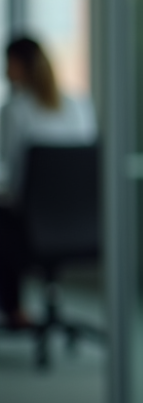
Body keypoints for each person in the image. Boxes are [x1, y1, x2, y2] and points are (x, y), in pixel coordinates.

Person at [0, 37, 97, 328]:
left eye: (8, 63)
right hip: (82, 223)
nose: (5, 70)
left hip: (33, 227)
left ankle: (14, 309)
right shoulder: (80, 106)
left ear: (21, 65)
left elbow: (12, 175)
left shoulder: (15, 111)